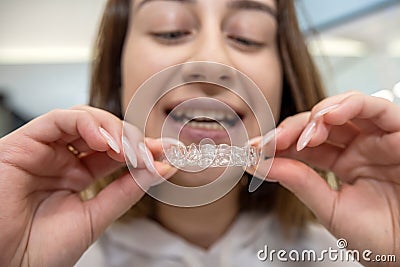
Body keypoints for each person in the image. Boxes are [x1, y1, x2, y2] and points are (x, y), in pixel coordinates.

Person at [0, 0, 398, 266]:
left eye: (247, 37)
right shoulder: (46, 252)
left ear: (285, 86)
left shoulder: (351, 255)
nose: (211, 61)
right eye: (170, 31)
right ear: (118, 76)